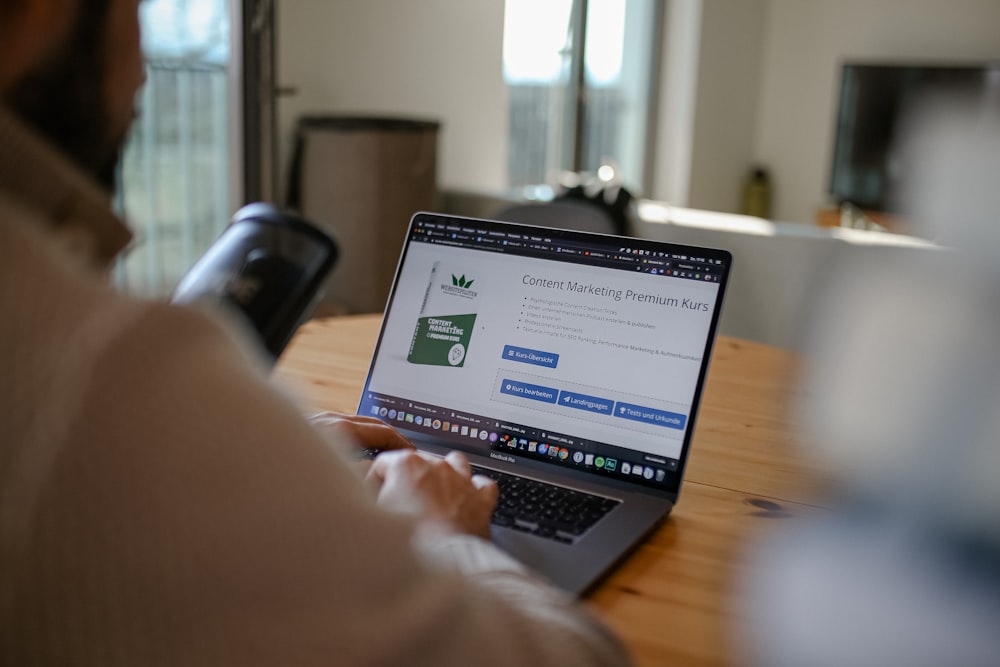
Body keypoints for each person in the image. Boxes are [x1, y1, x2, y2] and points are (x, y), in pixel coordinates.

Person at [0, 1, 630, 665]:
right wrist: (441, 537)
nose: (145, 72)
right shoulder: (108, 373)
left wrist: (270, 462)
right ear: (48, 10)